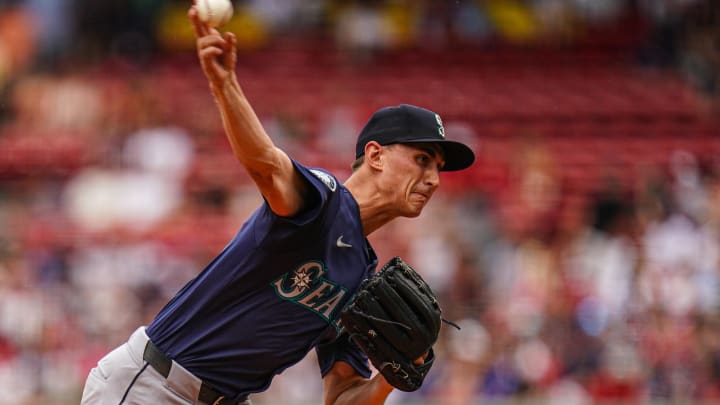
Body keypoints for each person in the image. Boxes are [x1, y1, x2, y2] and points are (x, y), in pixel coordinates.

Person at [80, 4, 475, 405]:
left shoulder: (361, 278)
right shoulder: (323, 201)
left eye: (438, 168)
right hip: (157, 387)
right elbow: (266, 165)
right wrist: (224, 84)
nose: (433, 179)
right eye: (422, 160)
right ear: (375, 156)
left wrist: (392, 377)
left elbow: (340, 398)